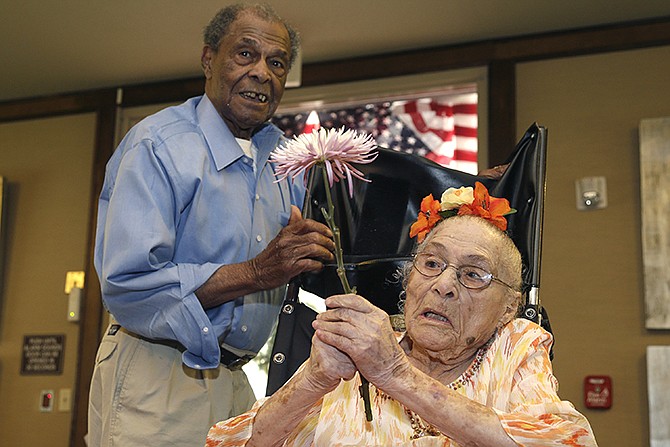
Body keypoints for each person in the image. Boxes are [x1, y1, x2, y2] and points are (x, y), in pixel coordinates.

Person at [88, 4, 336, 446]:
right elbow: (128, 285)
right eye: (245, 55)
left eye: (276, 63)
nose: (262, 72)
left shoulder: (285, 160)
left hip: (238, 381)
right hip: (158, 374)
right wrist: (257, 273)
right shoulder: (158, 145)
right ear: (209, 60)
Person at [206, 185, 598, 446]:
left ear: (507, 309)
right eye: (431, 263)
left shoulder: (514, 345)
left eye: (473, 274)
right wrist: (313, 379)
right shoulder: (361, 345)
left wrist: (396, 375)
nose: (444, 285)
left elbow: (567, 440)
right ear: (408, 282)